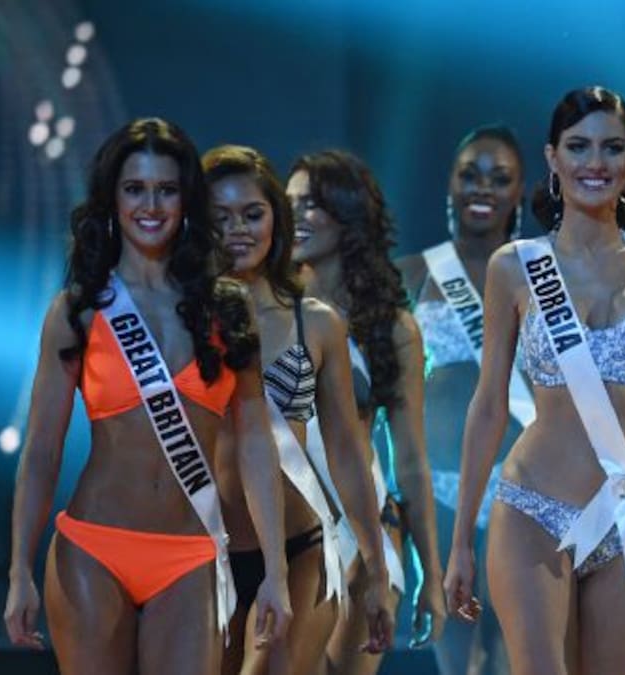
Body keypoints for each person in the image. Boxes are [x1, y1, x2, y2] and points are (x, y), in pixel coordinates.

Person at [443, 86, 625, 674]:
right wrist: (461, 539)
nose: (595, 162)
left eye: (612, 148)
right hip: (532, 511)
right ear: (552, 158)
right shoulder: (515, 266)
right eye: (578, 146)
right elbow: (488, 406)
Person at [3, 118, 292, 673]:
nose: (151, 206)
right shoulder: (79, 309)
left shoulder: (227, 307)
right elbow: (41, 450)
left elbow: (258, 442)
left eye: (167, 190)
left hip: (191, 554)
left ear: (187, 200)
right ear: (112, 199)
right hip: (94, 547)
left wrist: (276, 571)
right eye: (135, 189)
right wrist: (19, 570)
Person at [203, 145, 394, 673]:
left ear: (276, 220)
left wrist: (377, 571)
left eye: (252, 214)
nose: (238, 230)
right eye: (220, 217)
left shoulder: (318, 322)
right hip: (206, 555)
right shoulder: (180, 320)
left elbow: (348, 453)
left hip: (299, 551)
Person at [288, 150, 445, 674]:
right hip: (283, 526)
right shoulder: (267, 307)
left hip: (364, 529)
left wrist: (431, 574)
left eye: (311, 203)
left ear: (348, 213)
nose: (294, 215)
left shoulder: (394, 329)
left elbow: (412, 461)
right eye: (289, 203)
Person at [396, 124, 528, 675]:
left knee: (516, 657)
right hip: (442, 492)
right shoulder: (411, 273)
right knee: (455, 660)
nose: (483, 188)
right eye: (470, 174)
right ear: (449, 182)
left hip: (524, 489)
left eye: (500, 178)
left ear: (520, 192)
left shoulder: (543, 274)